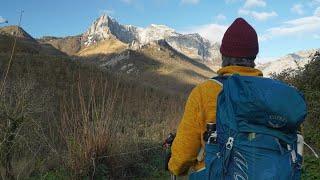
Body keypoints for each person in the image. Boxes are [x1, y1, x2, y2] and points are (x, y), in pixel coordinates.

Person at [168, 17, 263, 176]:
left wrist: (174, 166)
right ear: (253, 56)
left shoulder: (204, 93)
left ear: (223, 56)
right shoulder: (277, 96)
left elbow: (184, 154)